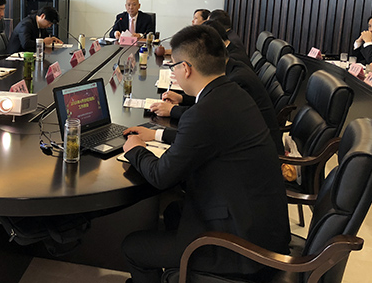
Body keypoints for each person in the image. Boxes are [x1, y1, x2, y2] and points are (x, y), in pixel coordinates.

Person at [121, 25, 290, 283]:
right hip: (261, 228)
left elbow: (161, 176)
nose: (175, 72)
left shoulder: (205, 112)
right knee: (174, 210)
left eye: (174, 67)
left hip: (241, 249)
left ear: (186, 69)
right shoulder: (233, 94)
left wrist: (135, 150)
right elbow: (205, 140)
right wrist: (155, 135)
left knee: (133, 247)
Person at [150, 21, 282, 154]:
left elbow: (206, 120)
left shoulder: (237, 81)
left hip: (258, 155)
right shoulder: (232, 67)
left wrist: (172, 111)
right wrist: (182, 98)